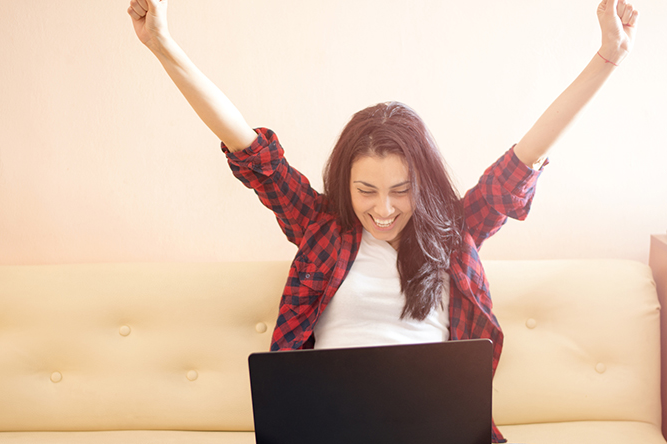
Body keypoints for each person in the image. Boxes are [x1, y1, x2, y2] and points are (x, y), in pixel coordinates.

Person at [127, 1, 638, 442]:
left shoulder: (454, 234)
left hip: (435, 428)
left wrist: (608, 57)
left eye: (401, 191)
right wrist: (162, 44)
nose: (384, 209)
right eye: (366, 191)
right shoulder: (320, 226)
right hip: (326, 427)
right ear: (344, 185)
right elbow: (248, 147)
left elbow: (528, 156)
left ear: (424, 184)